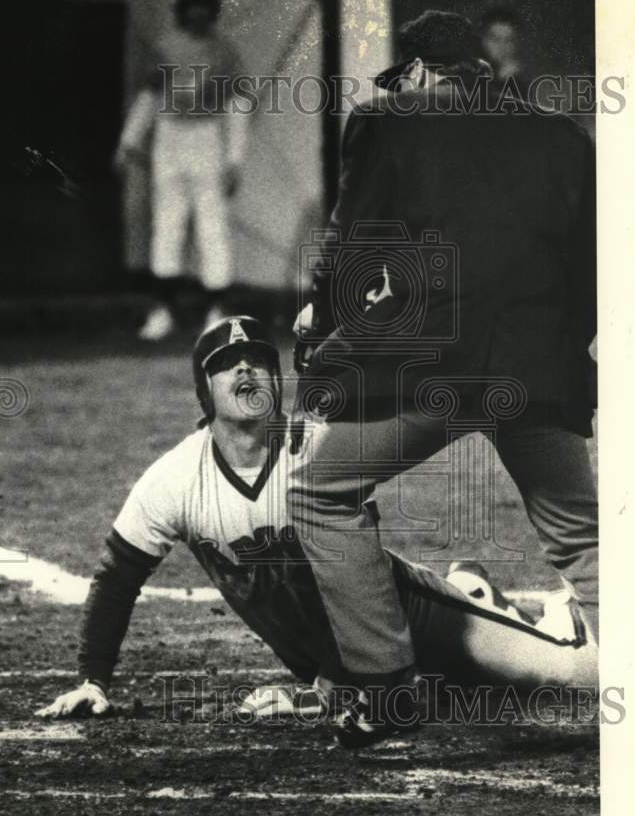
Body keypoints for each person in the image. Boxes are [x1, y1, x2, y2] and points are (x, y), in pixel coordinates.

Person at [36, 317, 597, 744]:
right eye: (228, 364)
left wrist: (330, 689)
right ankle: (475, 592)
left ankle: (552, 612)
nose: (247, 370)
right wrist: (94, 679)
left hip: (405, 617)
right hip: (334, 655)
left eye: (258, 360)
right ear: (203, 392)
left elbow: (351, 579)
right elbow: (117, 577)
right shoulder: (175, 478)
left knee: (573, 676)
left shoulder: (319, 446)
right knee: (449, 698)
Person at [289, 10, 597, 746]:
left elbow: (352, 241)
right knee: (582, 536)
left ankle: (384, 685)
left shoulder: (385, 119)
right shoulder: (561, 133)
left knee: (317, 492)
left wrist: (322, 325)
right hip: (536, 364)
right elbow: (590, 272)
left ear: (421, 69)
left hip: (438, 362)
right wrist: (560, 350)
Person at [115, 0, 248, 340]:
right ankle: (162, 312)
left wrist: (235, 160)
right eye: (193, 7)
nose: (199, 15)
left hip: (207, 139)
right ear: (182, 9)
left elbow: (237, 108)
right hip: (170, 138)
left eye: (205, 7)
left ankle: (218, 311)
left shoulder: (225, 52)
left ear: (215, 10)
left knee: (212, 226)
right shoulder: (165, 48)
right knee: (168, 226)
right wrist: (128, 141)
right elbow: (149, 97)